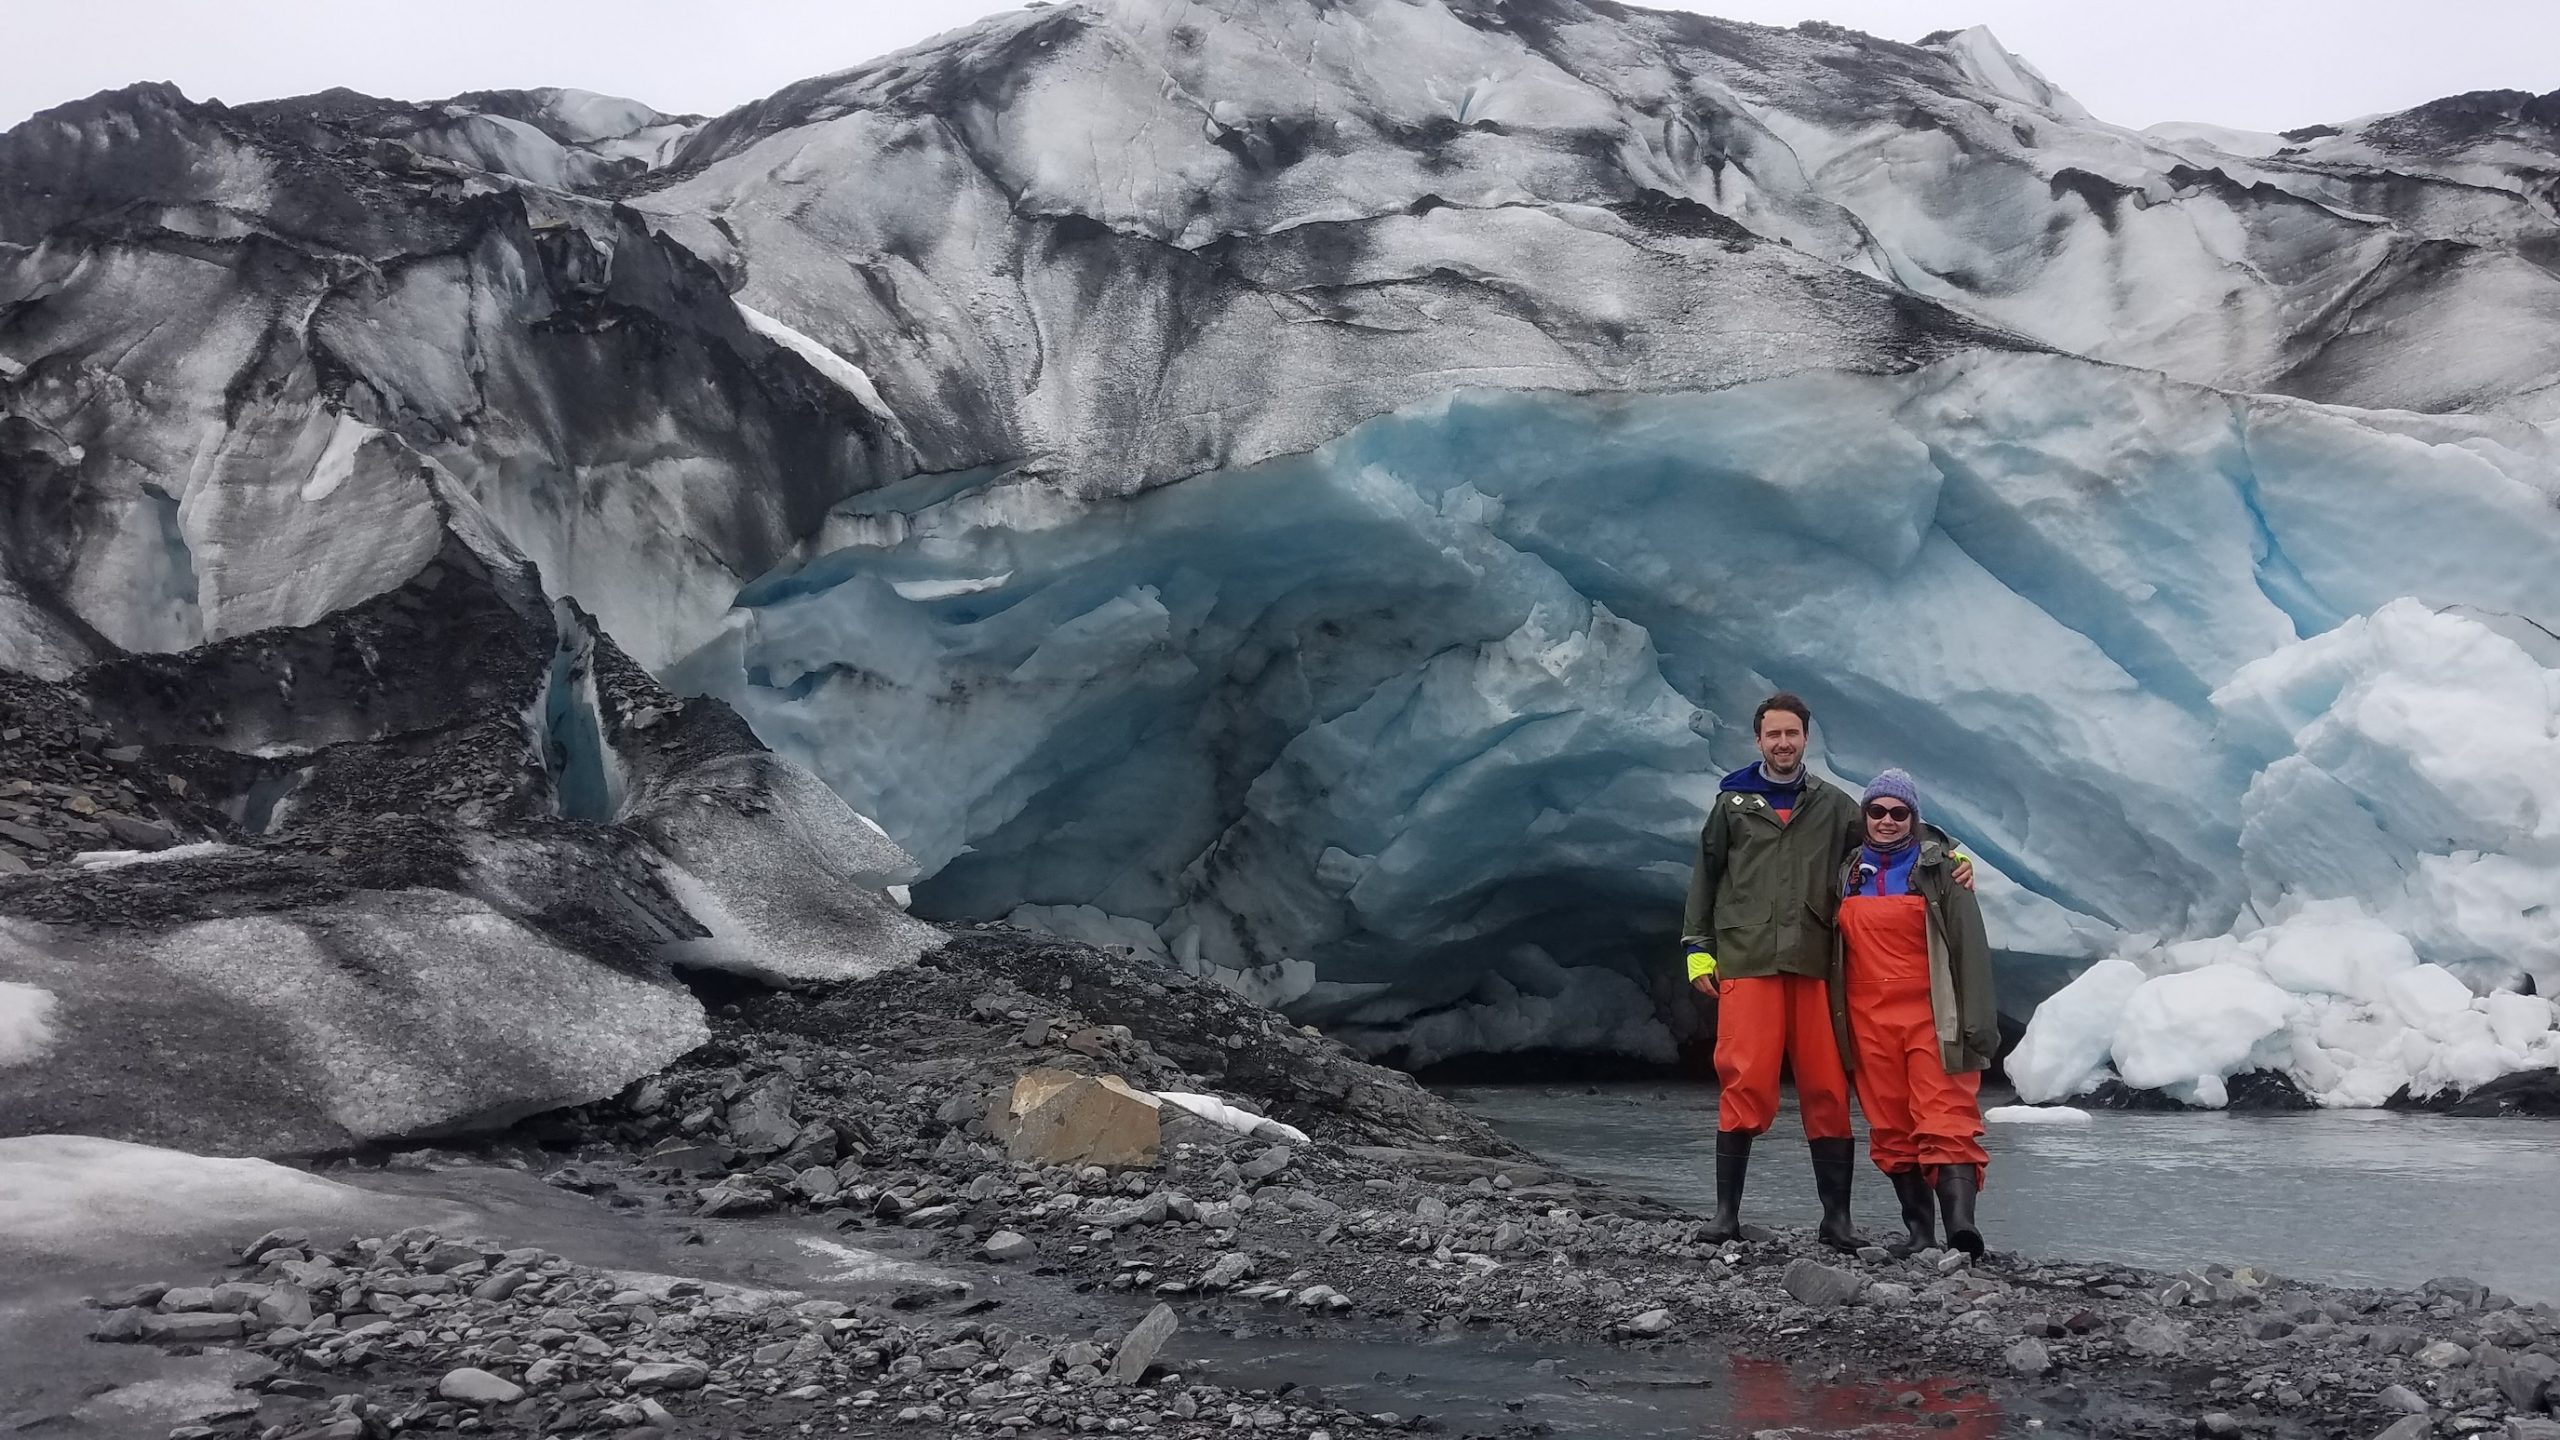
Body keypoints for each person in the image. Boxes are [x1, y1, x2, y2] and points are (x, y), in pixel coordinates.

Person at [1831, 769, 2000, 1256]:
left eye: (1899, 812)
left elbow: (1970, 950)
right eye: (1877, 811)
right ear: (1865, 816)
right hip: (1868, 1021)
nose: (1887, 821)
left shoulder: (1943, 870)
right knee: (1889, 1125)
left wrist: (1978, 1025)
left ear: (1914, 818)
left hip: (1932, 1015)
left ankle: (1961, 1230)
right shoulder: (1844, 872)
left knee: (1946, 1117)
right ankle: (1920, 1233)